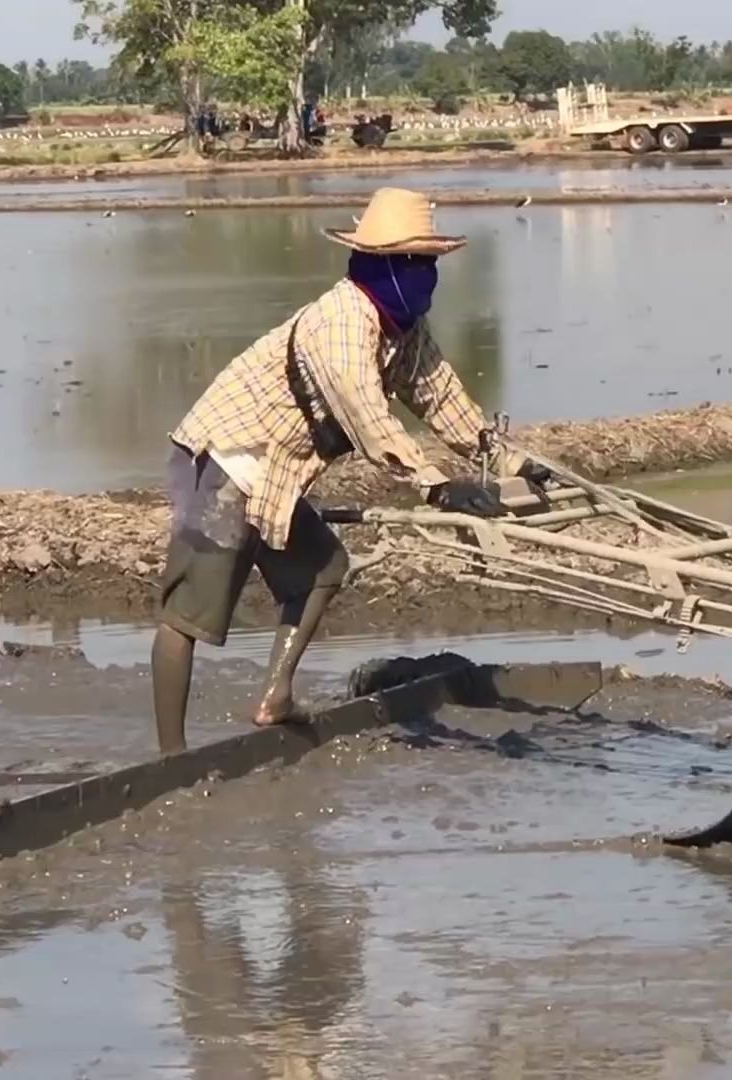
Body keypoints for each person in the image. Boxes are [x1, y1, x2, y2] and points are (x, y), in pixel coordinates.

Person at [150, 186, 549, 754]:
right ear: (380, 265)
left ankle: (274, 698)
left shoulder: (402, 328)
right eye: (415, 264)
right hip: (226, 457)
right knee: (193, 613)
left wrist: (509, 460)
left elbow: (442, 399)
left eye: (429, 264)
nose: (426, 277)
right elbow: (367, 415)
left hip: (278, 470)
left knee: (323, 567)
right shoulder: (340, 326)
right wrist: (437, 486)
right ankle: (170, 755)